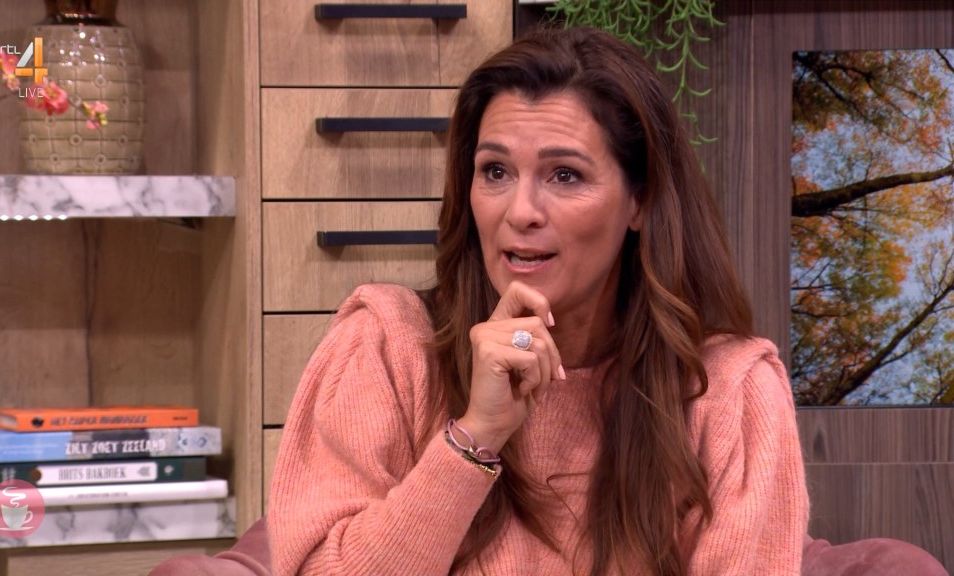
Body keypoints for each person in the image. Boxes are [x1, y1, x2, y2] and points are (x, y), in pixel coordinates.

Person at [267, 25, 809, 576]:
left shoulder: (729, 394)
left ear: (640, 201)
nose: (520, 211)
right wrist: (475, 437)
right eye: (495, 171)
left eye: (565, 175)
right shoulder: (386, 345)